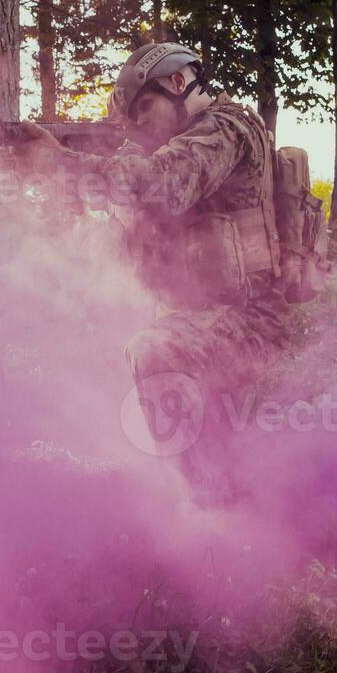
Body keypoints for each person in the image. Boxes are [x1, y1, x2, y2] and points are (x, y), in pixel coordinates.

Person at [15, 42, 289, 505]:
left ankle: (208, 505)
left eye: (146, 106)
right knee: (117, 347)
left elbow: (163, 184)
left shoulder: (228, 127)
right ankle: (206, 484)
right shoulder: (167, 146)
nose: (139, 123)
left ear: (178, 82)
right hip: (200, 320)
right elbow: (114, 229)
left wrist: (57, 161)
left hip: (253, 321)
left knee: (155, 349)